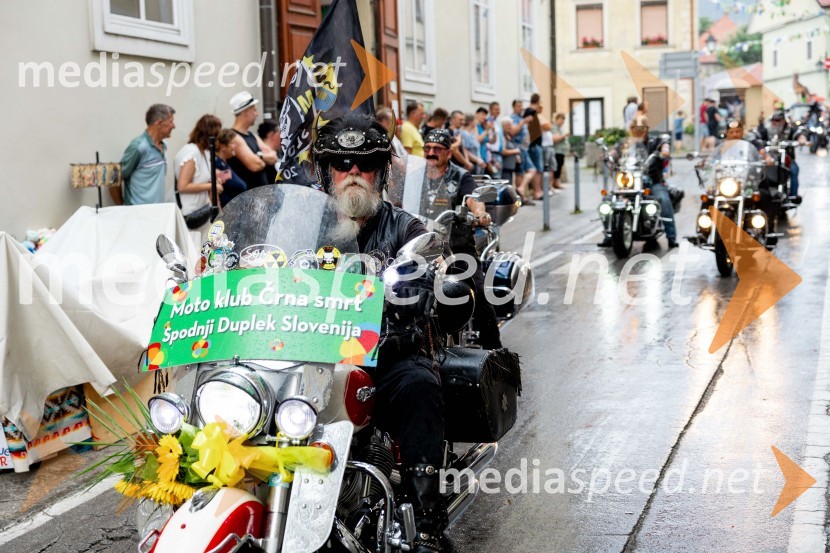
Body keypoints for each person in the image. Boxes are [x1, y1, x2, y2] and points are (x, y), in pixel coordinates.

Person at [312, 112, 446, 553]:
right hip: (314, 358)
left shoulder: (406, 228)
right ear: (326, 171)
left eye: (364, 163)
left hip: (387, 357)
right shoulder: (305, 230)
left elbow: (422, 283)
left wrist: (407, 288)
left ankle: (426, 524)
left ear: (381, 171)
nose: (353, 172)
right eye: (342, 163)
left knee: (420, 387)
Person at [422, 128, 502, 350]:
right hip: (423, 246)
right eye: (427, 148)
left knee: (476, 292)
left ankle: (494, 351)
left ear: (448, 153)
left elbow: (474, 200)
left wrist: (479, 213)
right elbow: (398, 199)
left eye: (437, 149)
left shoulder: (460, 176)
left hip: (456, 248)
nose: (431, 153)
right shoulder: (416, 176)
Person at [601, 117, 677, 249]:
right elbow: (614, 152)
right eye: (635, 128)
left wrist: (664, 151)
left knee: (663, 200)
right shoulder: (625, 144)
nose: (638, 131)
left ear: (647, 130)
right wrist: (609, 156)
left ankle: (671, 236)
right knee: (609, 202)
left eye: (641, 129)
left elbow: (664, 146)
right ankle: (610, 235)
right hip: (629, 183)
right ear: (631, 129)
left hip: (652, 180)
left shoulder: (655, 141)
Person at [114, 103, 176, 205]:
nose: (174, 126)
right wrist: (122, 208)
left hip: (156, 215)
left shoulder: (163, 147)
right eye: (171, 122)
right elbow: (114, 179)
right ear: (159, 123)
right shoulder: (138, 146)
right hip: (137, 216)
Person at [173, 115, 225, 235]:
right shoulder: (192, 153)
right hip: (192, 213)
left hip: (202, 210)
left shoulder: (203, 152)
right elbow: (183, 186)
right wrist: (211, 186)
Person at [228, 91, 278, 190]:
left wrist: (258, 156)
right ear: (245, 112)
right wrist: (262, 158)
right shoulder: (234, 137)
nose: (257, 113)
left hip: (262, 196)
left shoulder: (252, 136)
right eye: (254, 110)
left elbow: (273, 156)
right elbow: (256, 165)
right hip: (248, 198)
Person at [521, 93, 551, 200]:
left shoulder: (529, 111)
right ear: (538, 101)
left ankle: (537, 191)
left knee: (537, 169)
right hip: (534, 145)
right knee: (537, 169)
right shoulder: (531, 112)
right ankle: (537, 191)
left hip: (533, 144)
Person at [214, 128, 247, 206]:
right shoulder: (217, 164)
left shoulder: (225, 162)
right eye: (232, 143)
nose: (235, 146)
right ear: (223, 147)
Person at [257, 120, 282, 184]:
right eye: (280, 133)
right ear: (271, 135)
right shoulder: (262, 156)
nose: (282, 137)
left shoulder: (280, 152)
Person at [551, 113, 570, 191]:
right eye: (561, 120)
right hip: (557, 151)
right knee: (556, 168)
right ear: (557, 119)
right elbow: (555, 139)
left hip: (561, 152)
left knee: (559, 167)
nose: (562, 122)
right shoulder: (554, 128)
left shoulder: (560, 128)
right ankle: (555, 183)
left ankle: (557, 183)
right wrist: (564, 135)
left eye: (563, 120)